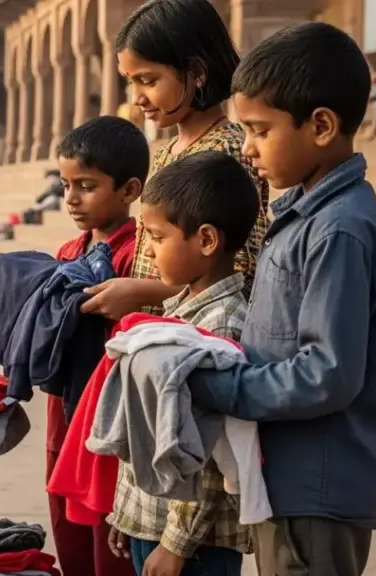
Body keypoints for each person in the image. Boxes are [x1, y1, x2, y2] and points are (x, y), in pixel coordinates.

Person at [187, 23, 376, 576]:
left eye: (260, 130)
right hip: (284, 479)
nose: (249, 148)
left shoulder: (340, 230)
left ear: (322, 126)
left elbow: (327, 373)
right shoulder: (305, 214)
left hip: (315, 491)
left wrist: (221, 387)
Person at [105, 151, 260, 576]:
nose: (148, 251)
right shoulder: (181, 309)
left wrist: (176, 543)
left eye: (157, 237)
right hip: (152, 523)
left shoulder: (222, 326)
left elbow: (207, 453)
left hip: (194, 545)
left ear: (206, 240)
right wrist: (128, 512)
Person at [82, 0, 270, 321]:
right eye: (131, 82)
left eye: (149, 80)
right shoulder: (166, 151)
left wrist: (141, 292)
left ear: (196, 73)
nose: (137, 98)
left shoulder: (229, 150)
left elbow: (240, 274)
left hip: (200, 331)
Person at [47, 116, 148, 576]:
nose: (71, 198)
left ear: (129, 190)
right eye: (66, 185)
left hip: (108, 417)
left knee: (110, 544)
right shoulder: (69, 252)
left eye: (86, 186)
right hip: (63, 416)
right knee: (68, 536)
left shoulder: (138, 254)